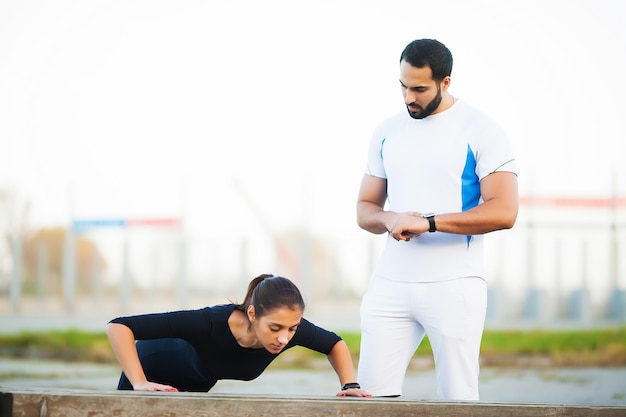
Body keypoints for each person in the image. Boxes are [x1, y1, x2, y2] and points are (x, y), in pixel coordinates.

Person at [356, 38, 519, 401]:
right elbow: (365, 209)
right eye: (402, 85)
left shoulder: (481, 129)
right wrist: (390, 217)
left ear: (445, 82)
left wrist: (428, 223)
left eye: (419, 88)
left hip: (454, 284)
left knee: (458, 400)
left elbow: (505, 211)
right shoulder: (386, 131)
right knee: (368, 399)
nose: (408, 97)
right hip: (390, 283)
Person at [106, 273, 371, 397]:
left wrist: (350, 385)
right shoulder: (209, 322)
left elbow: (333, 343)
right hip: (150, 368)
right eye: (275, 328)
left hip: (193, 388)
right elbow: (119, 326)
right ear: (253, 314)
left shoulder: (291, 331)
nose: (284, 338)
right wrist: (140, 382)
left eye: (292, 328)